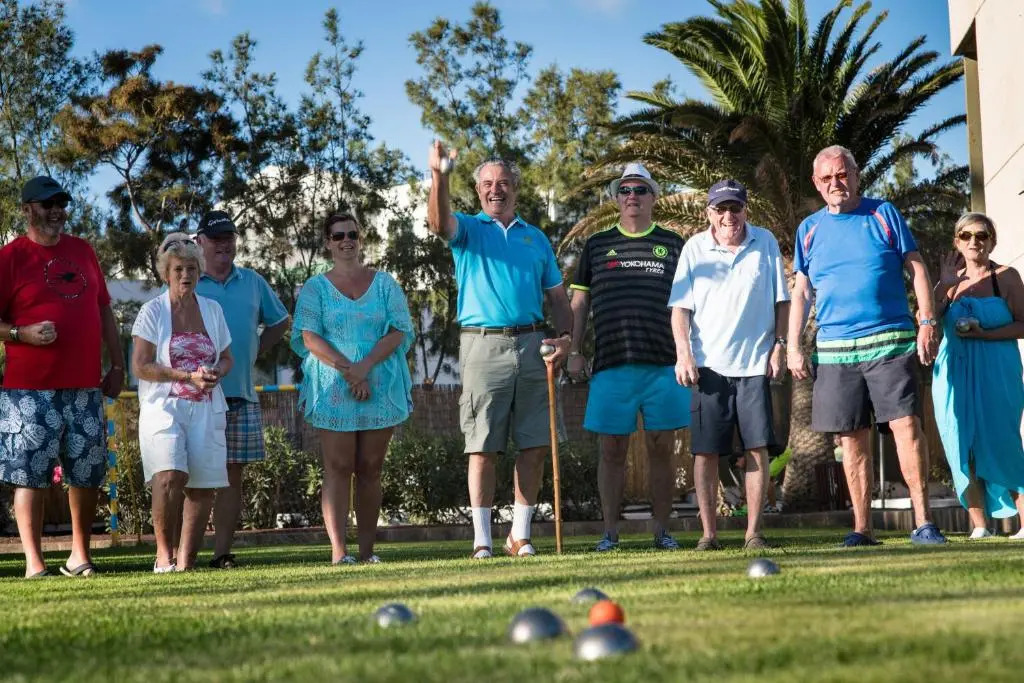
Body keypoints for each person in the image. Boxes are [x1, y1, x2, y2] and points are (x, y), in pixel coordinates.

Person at [788, 144, 946, 546]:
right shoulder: (808, 229)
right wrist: (792, 345)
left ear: (856, 175)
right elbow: (802, 291)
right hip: (836, 349)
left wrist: (926, 320)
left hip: (889, 340)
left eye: (843, 174)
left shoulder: (883, 213)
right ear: (816, 183)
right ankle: (862, 528)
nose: (836, 183)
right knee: (850, 437)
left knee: (906, 426)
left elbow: (916, 267)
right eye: (827, 178)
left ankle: (923, 523)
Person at [426, 141, 573, 559]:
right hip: (482, 344)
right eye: (488, 184)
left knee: (534, 444)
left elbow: (559, 299)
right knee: (483, 445)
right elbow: (438, 223)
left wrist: (565, 340)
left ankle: (519, 536)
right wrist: (439, 175)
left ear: (516, 189)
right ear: (477, 192)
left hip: (533, 343)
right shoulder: (469, 230)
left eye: (504, 183)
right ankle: (482, 540)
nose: (496, 190)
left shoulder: (535, 238)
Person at [0, 176, 125, 578]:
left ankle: (79, 556)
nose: (56, 210)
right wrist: (23, 334)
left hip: (85, 384)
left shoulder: (83, 251)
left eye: (61, 203)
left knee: (87, 472)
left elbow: (104, 309)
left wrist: (118, 365)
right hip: (28, 389)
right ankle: (34, 563)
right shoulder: (10, 257)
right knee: (29, 475)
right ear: (27, 209)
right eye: (46, 203)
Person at [568, 162, 689, 552]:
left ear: (654, 197)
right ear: (617, 199)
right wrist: (573, 349)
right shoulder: (597, 244)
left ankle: (661, 531)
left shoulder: (673, 243)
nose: (632, 196)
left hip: (663, 365)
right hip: (611, 365)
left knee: (660, 448)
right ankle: (610, 534)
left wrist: (689, 354)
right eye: (624, 190)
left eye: (640, 190)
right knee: (612, 450)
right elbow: (580, 301)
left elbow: (688, 304)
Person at [669, 179, 790, 550]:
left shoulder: (765, 242)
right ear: (709, 212)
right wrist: (684, 353)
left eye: (734, 208)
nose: (728, 216)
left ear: (745, 210)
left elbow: (781, 301)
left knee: (757, 448)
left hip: (754, 364)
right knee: (704, 452)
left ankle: (754, 532)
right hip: (708, 367)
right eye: (720, 209)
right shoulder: (694, 248)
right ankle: (709, 534)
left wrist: (780, 345)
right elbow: (680, 310)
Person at [291, 213, 413, 565]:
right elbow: (309, 337)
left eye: (353, 235)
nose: (347, 240)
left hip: (381, 381)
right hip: (333, 385)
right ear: (328, 242)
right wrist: (350, 372)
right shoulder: (315, 288)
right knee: (339, 465)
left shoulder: (386, 283)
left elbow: (399, 330)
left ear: (361, 239)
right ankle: (339, 552)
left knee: (372, 466)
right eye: (338, 235)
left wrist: (365, 368)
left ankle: (367, 553)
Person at [131, 233, 234, 572]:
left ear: (199, 272)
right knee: (169, 475)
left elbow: (228, 358)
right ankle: (164, 556)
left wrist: (216, 371)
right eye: (178, 269)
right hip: (165, 406)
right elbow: (141, 366)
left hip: (206, 406)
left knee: (203, 486)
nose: (185, 275)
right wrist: (186, 376)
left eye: (191, 268)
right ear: (166, 273)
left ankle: (186, 562)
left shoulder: (213, 310)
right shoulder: (151, 312)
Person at [194, 210, 290, 568]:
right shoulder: (186, 278)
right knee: (190, 475)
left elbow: (280, 323)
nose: (224, 244)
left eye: (229, 237)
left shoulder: (252, 281)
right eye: (216, 238)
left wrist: (249, 352)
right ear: (199, 241)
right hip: (195, 396)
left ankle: (221, 554)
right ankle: (177, 555)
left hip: (240, 393)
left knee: (232, 476)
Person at [931, 212, 1024, 539]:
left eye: (982, 236)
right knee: (961, 443)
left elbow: (1023, 324)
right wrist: (942, 286)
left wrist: (984, 333)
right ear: (957, 242)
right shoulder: (949, 281)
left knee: (1002, 439)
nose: (975, 242)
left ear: (992, 241)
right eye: (967, 236)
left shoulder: (1007, 277)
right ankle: (980, 527)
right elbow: (926, 319)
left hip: (997, 368)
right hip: (954, 370)